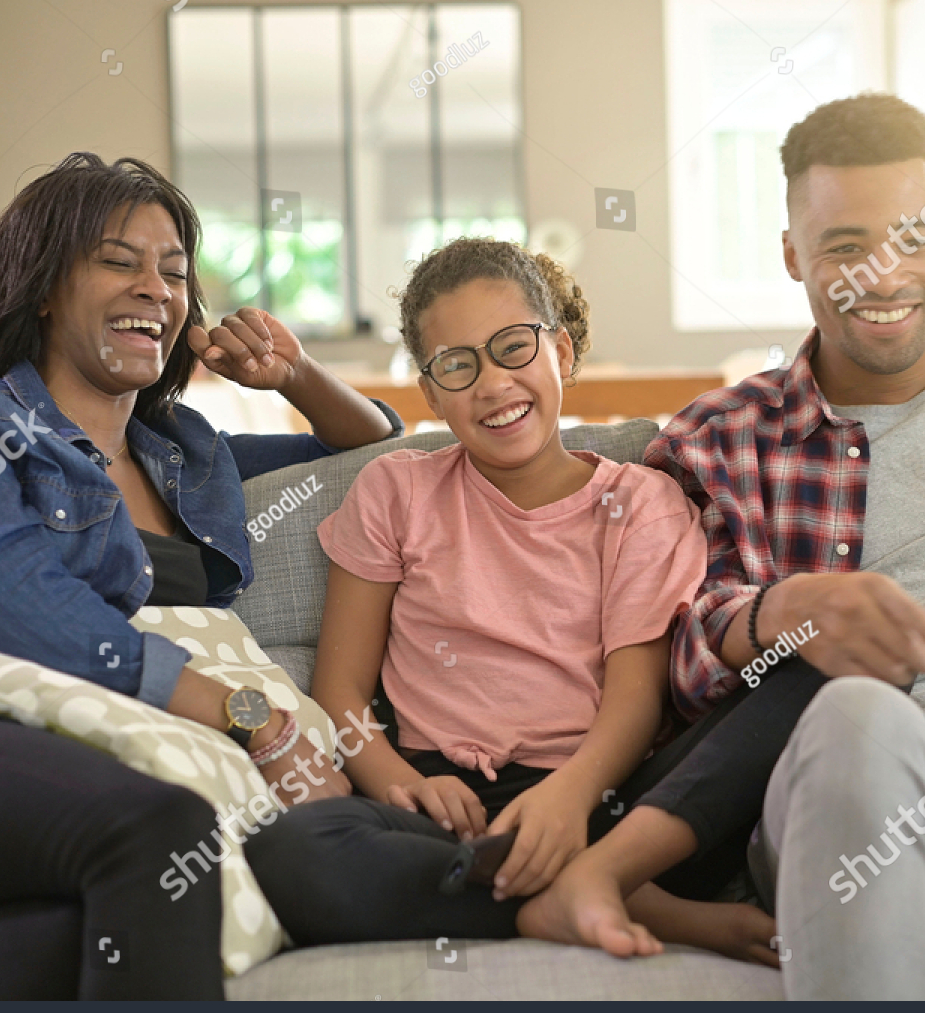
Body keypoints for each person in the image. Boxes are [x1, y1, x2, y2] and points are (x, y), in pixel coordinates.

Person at [517, 93, 925, 998]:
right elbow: (672, 659)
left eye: (914, 237)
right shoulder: (718, 436)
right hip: (860, 782)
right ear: (792, 255)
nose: (884, 274)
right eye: (843, 247)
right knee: (862, 713)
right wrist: (779, 613)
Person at [0, 153, 399, 999]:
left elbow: (372, 451)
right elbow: (16, 603)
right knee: (160, 827)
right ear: (41, 287)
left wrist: (292, 375)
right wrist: (255, 719)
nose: (158, 288)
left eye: (175, 272)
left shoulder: (188, 453)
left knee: (36, 955)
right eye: (118, 260)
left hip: (78, 766)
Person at [244, 239, 820, 964]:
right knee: (291, 848)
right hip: (452, 818)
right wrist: (398, 783)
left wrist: (569, 802)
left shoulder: (639, 500)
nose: (491, 383)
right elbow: (341, 688)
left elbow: (634, 700)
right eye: (458, 363)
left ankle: (602, 877)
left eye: (514, 347)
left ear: (563, 354)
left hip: (614, 805)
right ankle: (636, 910)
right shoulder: (396, 490)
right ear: (431, 392)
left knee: (812, 670)